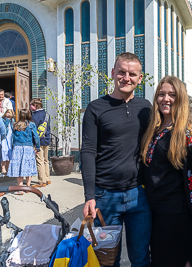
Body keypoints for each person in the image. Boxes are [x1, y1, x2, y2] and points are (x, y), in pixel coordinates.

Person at [81, 52, 152, 267]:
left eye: (132, 74)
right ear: (112, 73)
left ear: (140, 78)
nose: (126, 78)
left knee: (140, 259)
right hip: (105, 196)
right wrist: (89, 195)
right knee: (107, 260)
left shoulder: (146, 108)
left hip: (139, 195)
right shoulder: (96, 108)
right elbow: (88, 151)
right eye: (121, 72)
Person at [140, 76, 192, 267]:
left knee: (181, 260)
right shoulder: (155, 128)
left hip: (177, 213)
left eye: (172, 95)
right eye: (162, 94)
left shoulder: (187, 132)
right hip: (155, 210)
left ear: (180, 99)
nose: (166, 99)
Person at [7, 109, 40, 195]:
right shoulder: (31, 124)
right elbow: (36, 136)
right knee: (28, 166)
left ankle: (20, 188)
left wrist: (12, 146)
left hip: (17, 147)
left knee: (18, 167)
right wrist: (38, 146)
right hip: (28, 147)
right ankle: (28, 187)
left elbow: (12, 137)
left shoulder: (15, 124)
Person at [30, 98, 51, 187]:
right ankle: (47, 178)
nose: (30, 107)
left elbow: (33, 130)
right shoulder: (47, 114)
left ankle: (41, 181)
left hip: (38, 141)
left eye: (31, 105)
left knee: (39, 161)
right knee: (46, 160)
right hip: (47, 138)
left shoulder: (34, 116)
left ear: (35, 106)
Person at [1, 109, 14, 174]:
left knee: (9, 153)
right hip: (4, 138)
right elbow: (3, 127)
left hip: (10, 138)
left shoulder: (13, 121)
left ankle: (8, 168)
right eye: (7, 112)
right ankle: (3, 168)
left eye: (10, 113)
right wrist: (7, 120)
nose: (9, 114)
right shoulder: (3, 120)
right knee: (3, 152)